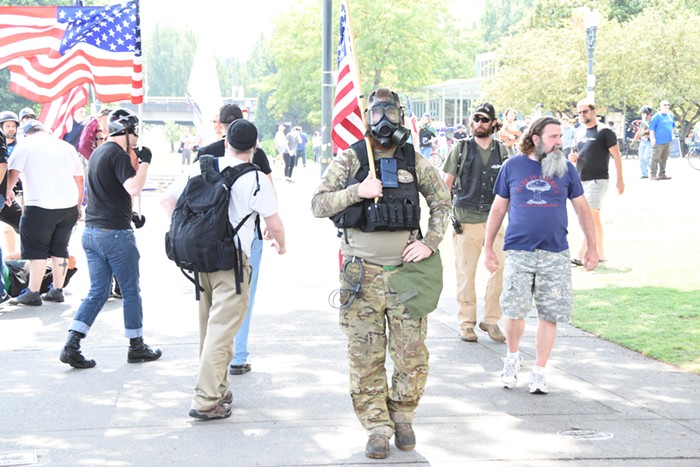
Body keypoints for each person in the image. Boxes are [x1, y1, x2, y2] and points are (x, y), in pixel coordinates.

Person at [311, 88, 450, 459]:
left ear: (401, 116)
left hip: (406, 275)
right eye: (376, 114)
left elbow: (441, 202)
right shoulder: (351, 158)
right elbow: (318, 203)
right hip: (362, 277)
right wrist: (357, 190)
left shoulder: (414, 160)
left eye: (389, 113)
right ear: (367, 117)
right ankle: (376, 425)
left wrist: (430, 242)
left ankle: (403, 416)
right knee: (365, 355)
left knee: (411, 354)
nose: (383, 121)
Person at [162, 119, 286, 421]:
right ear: (255, 148)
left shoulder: (201, 166)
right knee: (221, 333)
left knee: (210, 329)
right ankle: (205, 400)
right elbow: (274, 224)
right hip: (231, 263)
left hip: (199, 259)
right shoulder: (255, 178)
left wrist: (189, 231)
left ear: (226, 141)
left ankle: (219, 388)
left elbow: (167, 201)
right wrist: (281, 245)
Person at [483, 116, 598, 395]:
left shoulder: (566, 169)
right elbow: (498, 209)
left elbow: (583, 209)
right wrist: (488, 247)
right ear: (536, 139)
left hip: (555, 252)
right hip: (519, 251)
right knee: (514, 309)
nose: (560, 142)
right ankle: (511, 360)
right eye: (553, 137)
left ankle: (539, 371)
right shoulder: (513, 166)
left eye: (560, 136)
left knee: (550, 313)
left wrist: (592, 246)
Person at [58, 108, 161, 369]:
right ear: (125, 132)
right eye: (135, 131)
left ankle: (72, 343)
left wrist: (130, 214)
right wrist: (146, 162)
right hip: (114, 235)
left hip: (93, 232)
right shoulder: (117, 154)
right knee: (130, 291)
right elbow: (133, 187)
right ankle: (136, 346)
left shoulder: (99, 152)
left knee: (98, 291)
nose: (137, 137)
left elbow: (108, 192)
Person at [195, 104, 275, 376]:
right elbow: (269, 192)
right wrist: (271, 229)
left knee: (210, 302)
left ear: (221, 125)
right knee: (244, 297)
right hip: (245, 236)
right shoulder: (257, 154)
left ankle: (210, 358)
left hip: (207, 237)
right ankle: (238, 356)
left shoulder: (205, 154)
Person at [443, 102, 507, 343]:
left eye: (484, 119)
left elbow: (509, 187)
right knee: (466, 274)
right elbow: (446, 184)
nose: (479, 123)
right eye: (476, 119)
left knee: (500, 272)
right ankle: (466, 323)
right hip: (466, 221)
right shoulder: (460, 149)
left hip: (495, 222)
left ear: (493, 123)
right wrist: (446, 213)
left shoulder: (502, 151)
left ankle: (491, 320)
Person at [6, 120, 83, 306]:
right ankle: (57, 290)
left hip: (40, 206)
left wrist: (7, 192)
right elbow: (79, 179)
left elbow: (13, 172)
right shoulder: (65, 147)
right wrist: (79, 206)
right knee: (60, 247)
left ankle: (33, 292)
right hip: (68, 206)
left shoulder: (25, 146)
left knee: (37, 250)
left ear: (26, 133)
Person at [568, 98, 624, 264]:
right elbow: (575, 154)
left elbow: (617, 155)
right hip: (581, 180)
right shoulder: (579, 132)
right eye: (579, 112)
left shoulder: (604, 131)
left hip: (598, 180)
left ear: (593, 111)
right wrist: (573, 157)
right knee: (595, 218)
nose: (582, 115)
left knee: (590, 216)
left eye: (585, 111)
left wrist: (620, 179)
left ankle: (580, 254)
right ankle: (601, 254)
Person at [0, 111, 23, 255]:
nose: (11, 129)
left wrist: (6, 188)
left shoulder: (20, 144)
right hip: (5, 192)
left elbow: (4, 166)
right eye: (7, 125)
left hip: (12, 192)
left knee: (27, 227)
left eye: (13, 126)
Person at [648, 100, 675, 181]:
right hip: (658, 141)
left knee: (664, 158)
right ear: (660, 106)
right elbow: (651, 128)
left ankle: (662, 174)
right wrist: (652, 138)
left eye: (668, 105)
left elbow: (673, 126)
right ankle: (653, 175)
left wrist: (672, 135)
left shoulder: (670, 115)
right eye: (664, 105)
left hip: (667, 141)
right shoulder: (657, 116)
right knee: (655, 158)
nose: (666, 106)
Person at [631, 106, 653, 178]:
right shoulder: (644, 122)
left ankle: (654, 170)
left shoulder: (653, 121)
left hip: (649, 141)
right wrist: (633, 141)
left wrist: (645, 132)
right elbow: (639, 132)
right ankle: (644, 174)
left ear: (648, 114)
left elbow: (650, 131)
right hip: (643, 141)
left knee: (646, 157)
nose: (642, 115)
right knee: (641, 158)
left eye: (643, 113)